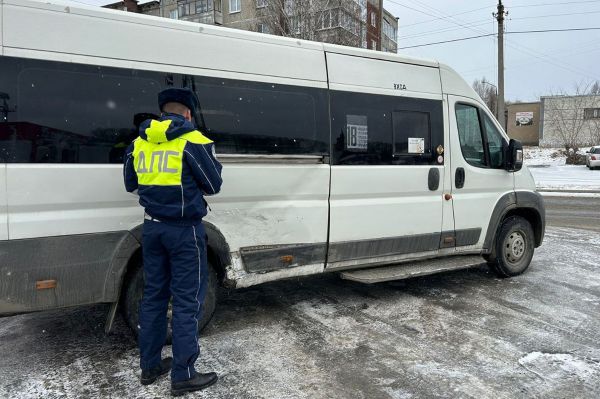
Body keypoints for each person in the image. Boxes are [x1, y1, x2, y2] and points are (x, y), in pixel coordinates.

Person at [123, 87, 222, 396]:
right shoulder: (192, 141)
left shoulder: (139, 142)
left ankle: (149, 366)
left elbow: (130, 183)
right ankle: (184, 373)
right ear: (189, 113)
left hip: (152, 229)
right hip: (184, 232)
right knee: (186, 301)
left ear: (163, 111)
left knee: (153, 297)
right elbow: (213, 184)